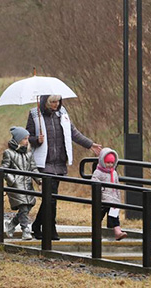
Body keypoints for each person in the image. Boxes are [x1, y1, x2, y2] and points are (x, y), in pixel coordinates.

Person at [26, 94, 102, 240]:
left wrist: (90, 144)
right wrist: (36, 139)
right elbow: (27, 136)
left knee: (50, 197)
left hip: (59, 161)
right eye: (53, 102)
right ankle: (50, 228)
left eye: (58, 101)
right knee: (51, 197)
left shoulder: (63, 113)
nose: (56, 104)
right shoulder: (35, 114)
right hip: (44, 162)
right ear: (46, 102)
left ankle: (37, 225)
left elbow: (73, 133)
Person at [1, 126, 38, 240]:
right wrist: (13, 180)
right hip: (16, 185)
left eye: (28, 139)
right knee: (23, 208)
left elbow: (33, 168)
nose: (27, 141)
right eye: (25, 139)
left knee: (28, 207)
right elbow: (4, 169)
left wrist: (39, 179)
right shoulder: (8, 153)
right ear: (18, 140)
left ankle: (11, 224)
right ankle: (25, 230)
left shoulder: (29, 153)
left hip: (27, 184)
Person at [92, 148, 127, 241]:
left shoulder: (114, 173)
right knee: (98, 217)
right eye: (107, 163)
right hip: (103, 200)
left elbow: (117, 186)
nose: (110, 165)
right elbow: (94, 182)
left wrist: (118, 198)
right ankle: (96, 233)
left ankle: (118, 232)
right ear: (102, 161)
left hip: (113, 200)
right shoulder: (98, 172)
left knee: (114, 217)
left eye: (112, 163)